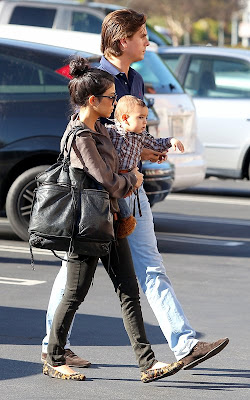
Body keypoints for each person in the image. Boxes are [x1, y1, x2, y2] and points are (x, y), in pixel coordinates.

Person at [41, 9, 229, 372]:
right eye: (142, 35)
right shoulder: (96, 82)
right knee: (73, 273)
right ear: (122, 39)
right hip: (101, 195)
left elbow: (131, 138)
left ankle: (184, 344)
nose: (148, 41)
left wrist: (148, 148)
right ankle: (54, 348)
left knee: (148, 269)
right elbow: (99, 142)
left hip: (133, 189)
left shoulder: (137, 78)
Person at [42, 56, 183, 382]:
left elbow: (125, 150)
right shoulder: (81, 136)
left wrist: (147, 153)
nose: (114, 101)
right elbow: (106, 178)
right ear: (93, 101)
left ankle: (148, 364)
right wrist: (132, 180)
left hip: (112, 219)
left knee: (129, 291)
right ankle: (53, 357)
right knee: (75, 292)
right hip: (87, 224)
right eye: (109, 98)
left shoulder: (103, 129)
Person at [106, 94, 184, 239]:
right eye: (140, 117)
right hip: (113, 179)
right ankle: (118, 229)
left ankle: (121, 231)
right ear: (125, 118)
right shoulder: (111, 131)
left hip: (129, 180)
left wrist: (171, 140)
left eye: (146, 118)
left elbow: (156, 143)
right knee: (116, 207)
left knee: (124, 210)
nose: (144, 122)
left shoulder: (141, 136)